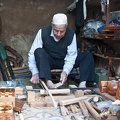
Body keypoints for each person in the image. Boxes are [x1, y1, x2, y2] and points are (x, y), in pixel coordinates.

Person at [28, 13, 96, 88]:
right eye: (56, 30)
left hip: (63, 60)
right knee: (39, 51)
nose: (59, 34)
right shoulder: (43, 32)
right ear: (52, 26)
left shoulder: (71, 35)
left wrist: (65, 72)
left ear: (66, 28)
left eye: (62, 31)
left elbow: (71, 56)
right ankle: (49, 82)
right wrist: (35, 72)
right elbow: (32, 53)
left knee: (87, 56)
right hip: (48, 61)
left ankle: (83, 84)